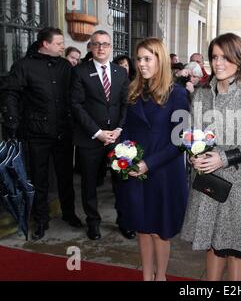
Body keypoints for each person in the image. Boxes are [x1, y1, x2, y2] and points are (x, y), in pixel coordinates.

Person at [181, 33, 241, 281]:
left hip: (239, 186)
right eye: (214, 57)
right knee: (212, 245)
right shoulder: (202, 94)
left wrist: (222, 158)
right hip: (208, 182)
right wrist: (194, 155)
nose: (218, 63)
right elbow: (193, 135)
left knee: (236, 249)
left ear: (239, 60)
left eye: (225, 57)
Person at [116, 37, 190, 281]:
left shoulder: (177, 94)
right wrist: (124, 155)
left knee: (160, 231)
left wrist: (149, 163)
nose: (142, 64)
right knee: (142, 228)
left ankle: (161, 277)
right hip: (136, 171)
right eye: (139, 59)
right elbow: (126, 129)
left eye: (147, 59)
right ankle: (146, 277)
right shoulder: (133, 90)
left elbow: (180, 140)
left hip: (164, 173)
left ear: (160, 60)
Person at [1, 27, 81, 240]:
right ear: (45, 44)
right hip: (36, 134)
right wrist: (12, 121)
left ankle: (69, 213)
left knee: (65, 177)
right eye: (58, 43)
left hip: (63, 131)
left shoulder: (65, 66)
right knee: (39, 179)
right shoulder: (23, 66)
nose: (62, 46)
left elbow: (76, 94)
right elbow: (11, 94)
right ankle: (41, 219)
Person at [71, 30, 132, 240]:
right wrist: (97, 133)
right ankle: (93, 223)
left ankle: (124, 221)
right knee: (89, 183)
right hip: (90, 138)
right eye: (96, 44)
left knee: (121, 182)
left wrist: (119, 129)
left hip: (116, 138)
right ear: (90, 47)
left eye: (105, 44)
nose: (101, 48)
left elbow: (125, 104)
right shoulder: (80, 72)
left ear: (110, 46)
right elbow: (76, 105)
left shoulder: (120, 73)